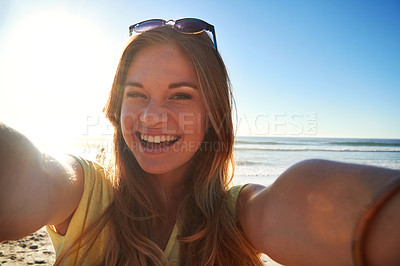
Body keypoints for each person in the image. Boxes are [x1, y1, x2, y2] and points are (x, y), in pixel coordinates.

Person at [0, 18, 399, 266]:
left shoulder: (238, 215)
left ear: (213, 117)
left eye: (181, 95)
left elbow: (300, 201)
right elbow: (26, 172)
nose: (152, 116)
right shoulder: (85, 192)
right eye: (136, 94)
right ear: (116, 108)